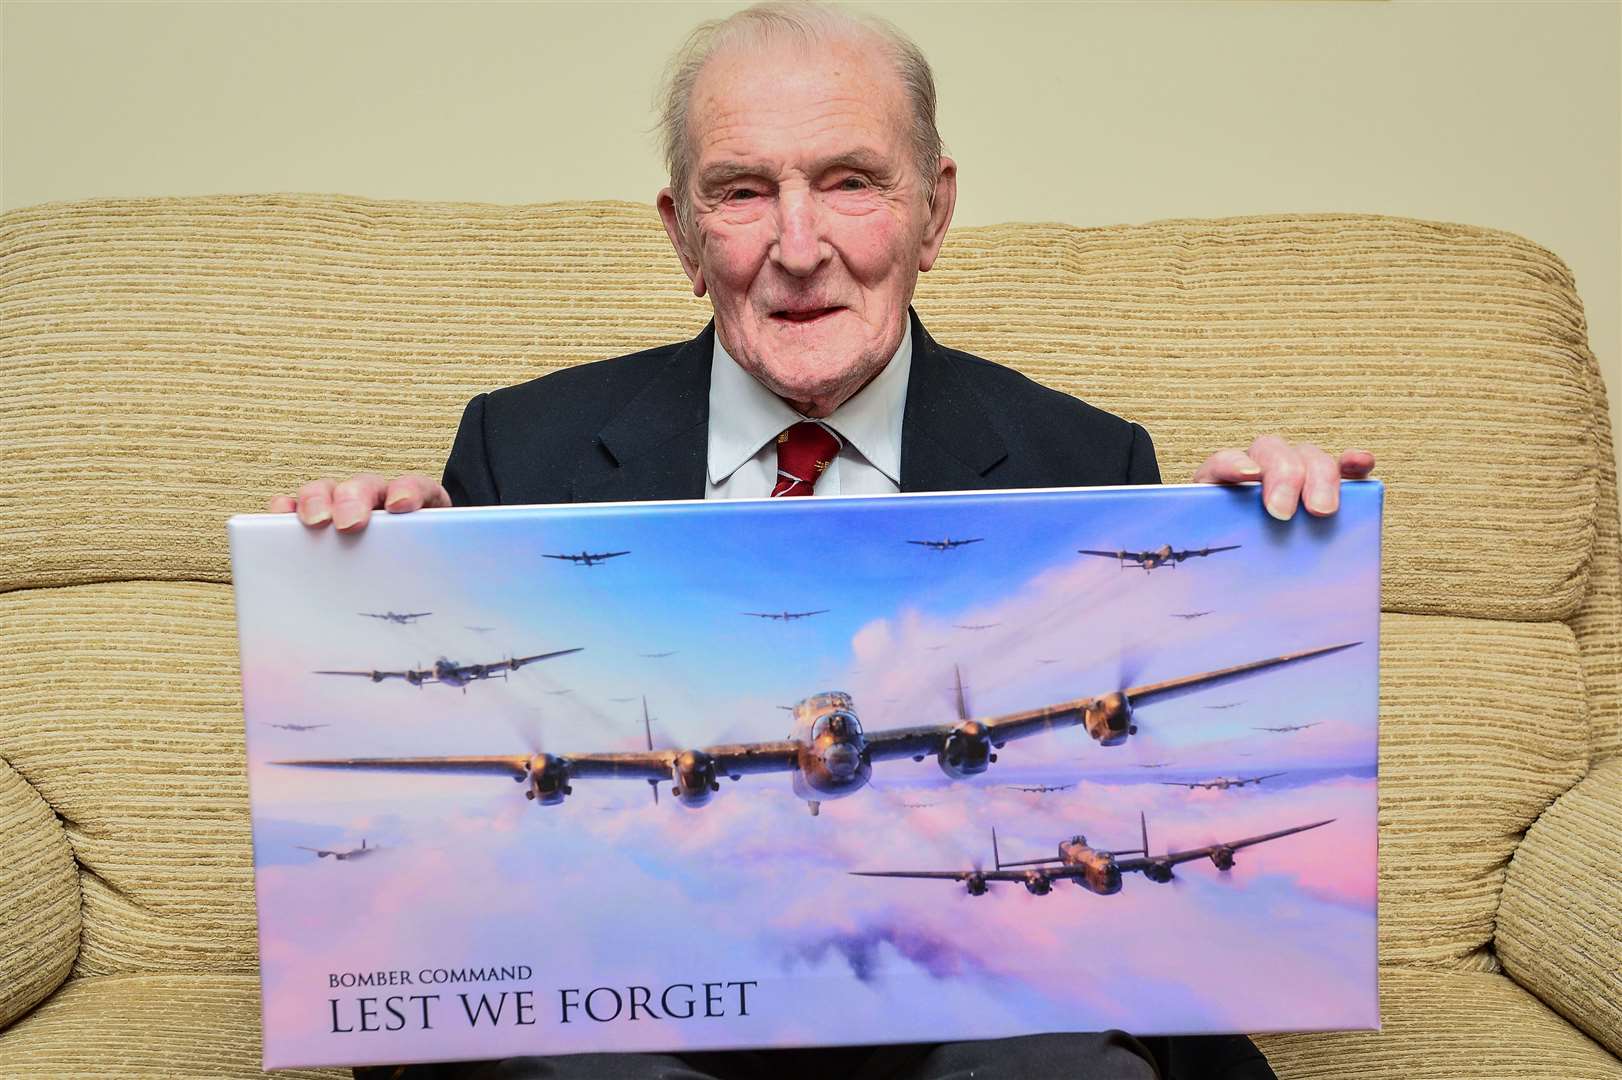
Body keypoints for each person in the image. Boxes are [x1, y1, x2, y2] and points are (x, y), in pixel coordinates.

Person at [273, 4, 1374, 1078]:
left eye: (849, 182)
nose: (797, 248)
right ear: (681, 234)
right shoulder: (518, 452)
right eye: (742, 192)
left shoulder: (1088, 464)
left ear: (933, 213)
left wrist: (1263, 552)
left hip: (978, 1000)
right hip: (639, 1007)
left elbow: (1155, 844)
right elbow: (455, 880)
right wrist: (376, 568)